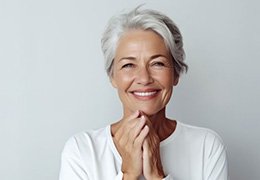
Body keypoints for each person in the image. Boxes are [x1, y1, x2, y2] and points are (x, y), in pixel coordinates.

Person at [59, 7, 228, 180]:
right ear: (113, 76)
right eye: (128, 65)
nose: (144, 78)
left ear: (175, 74)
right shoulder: (81, 150)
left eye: (157, 64)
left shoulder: (207, 147)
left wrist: (156, 175)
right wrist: (128, 174)